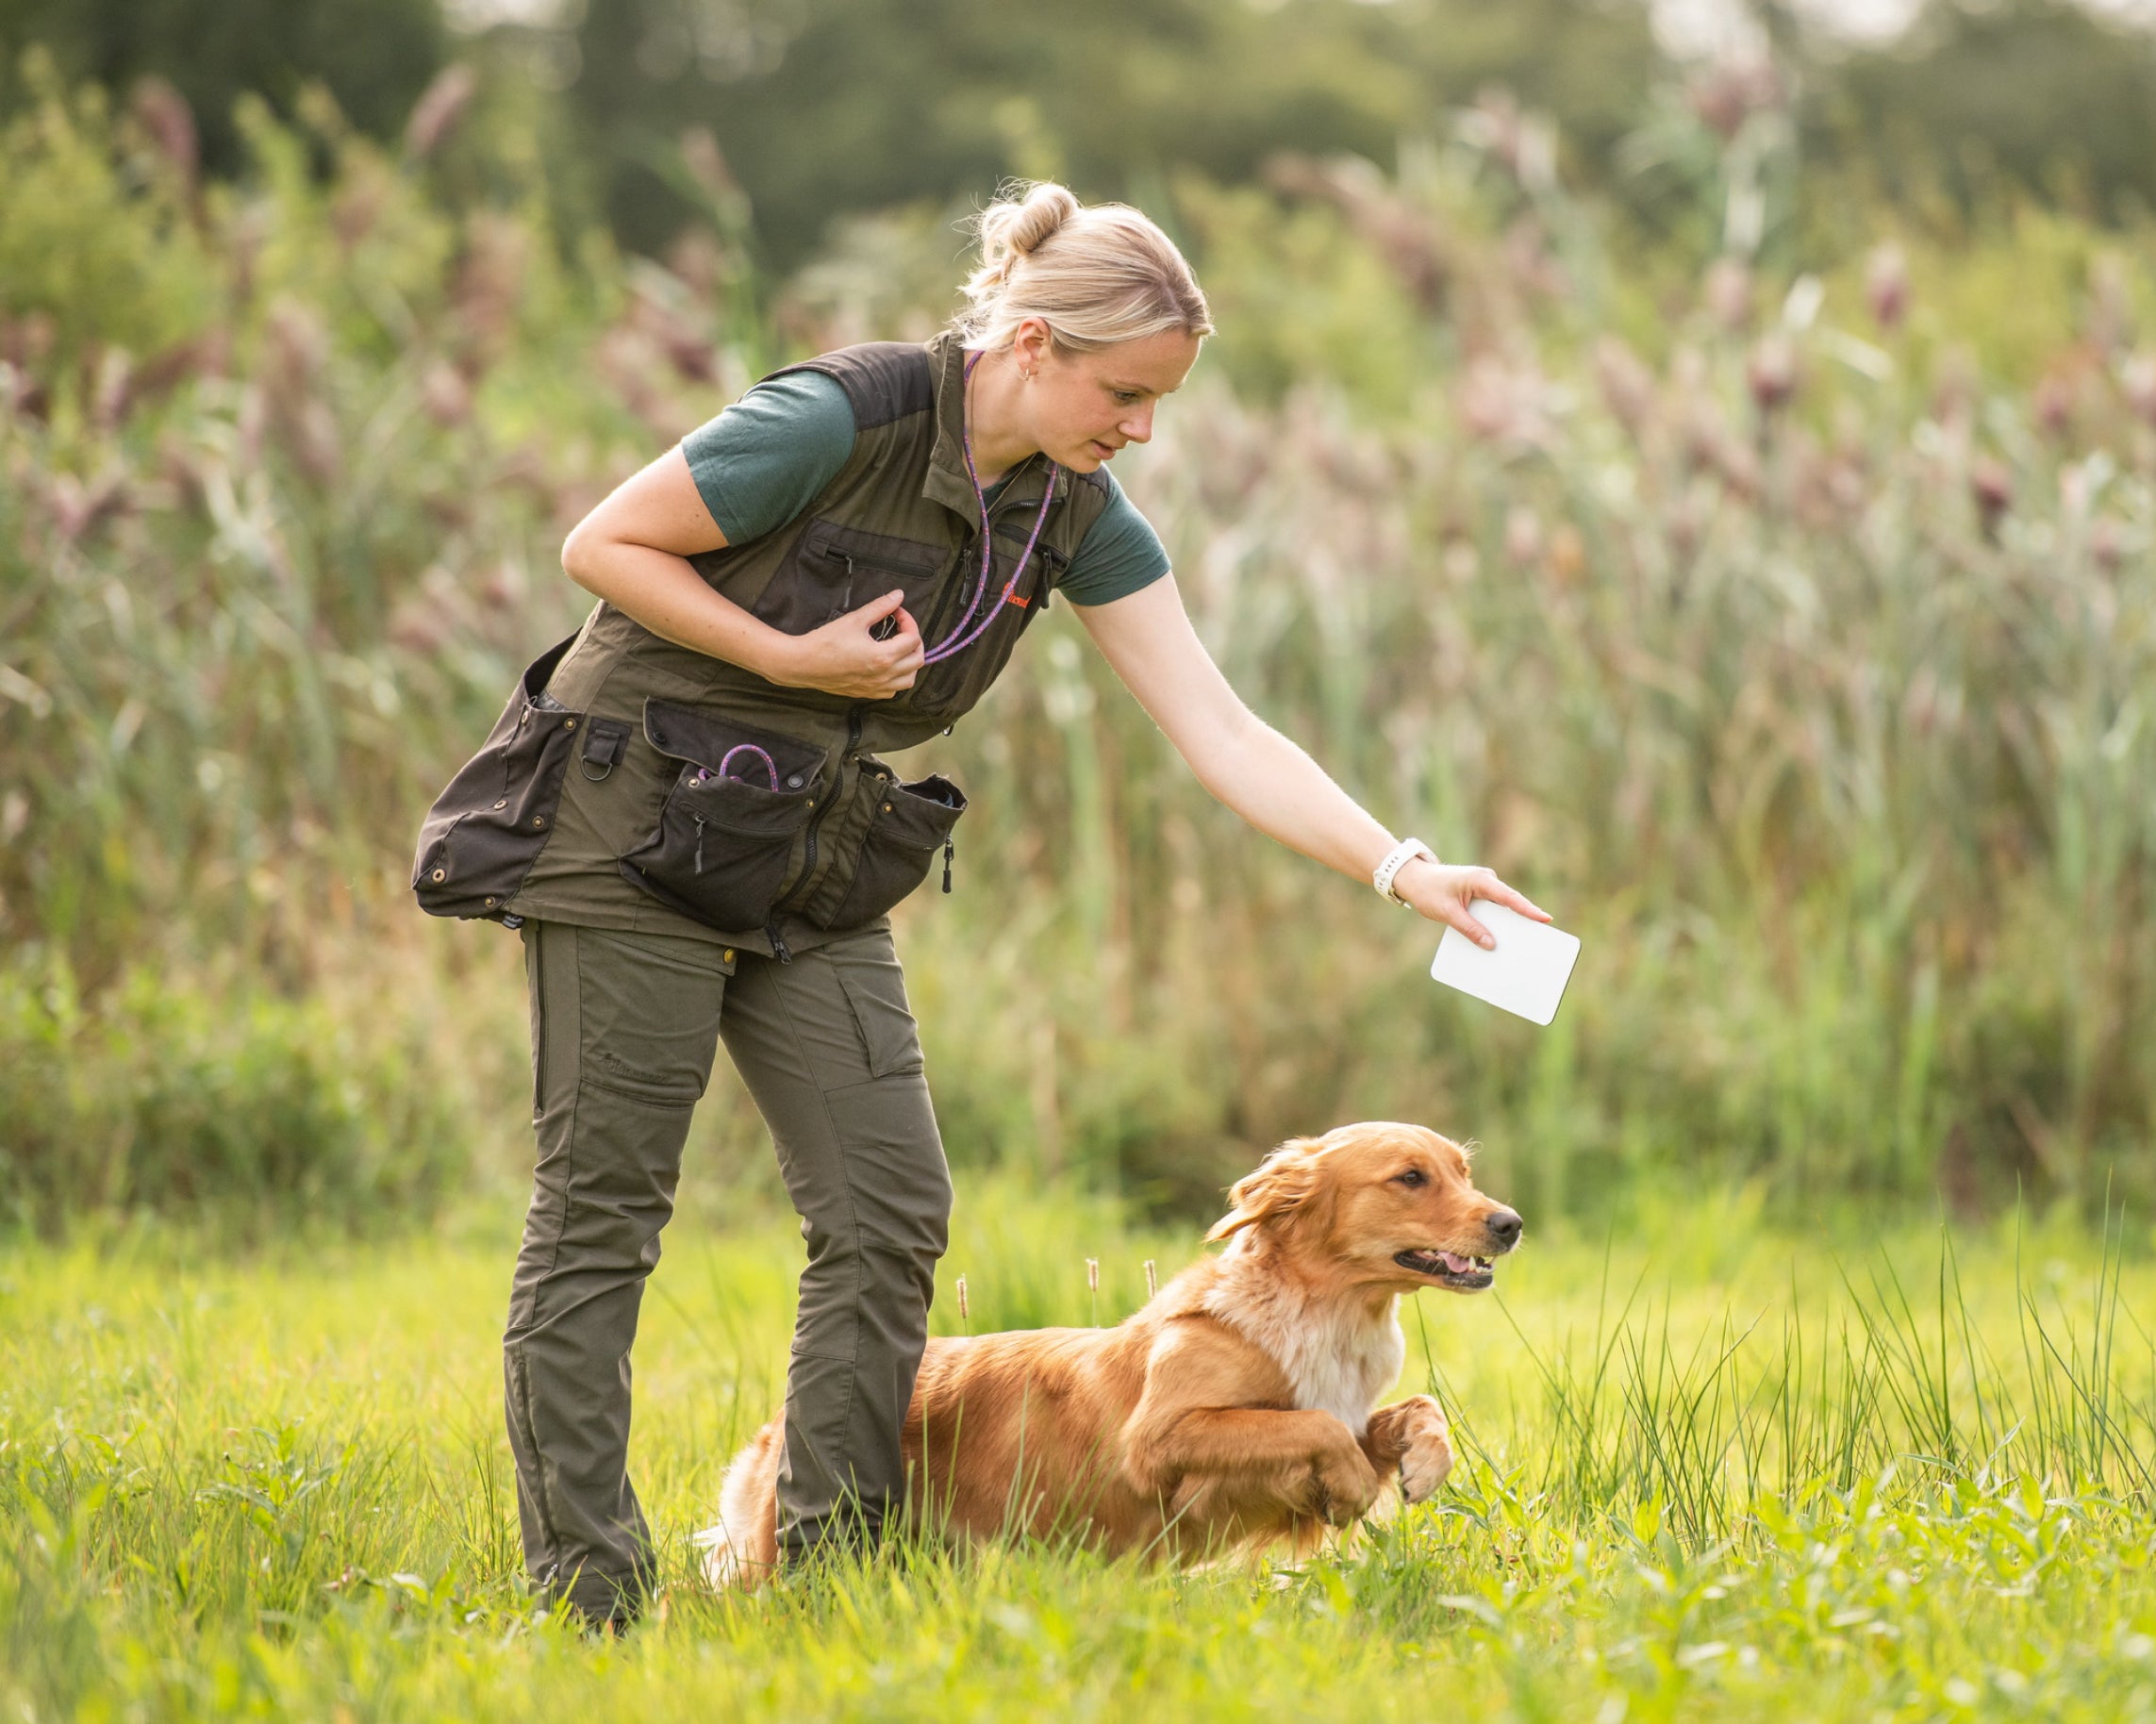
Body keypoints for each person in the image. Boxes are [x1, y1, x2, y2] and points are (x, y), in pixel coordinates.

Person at [409, 180, 1547, 1627]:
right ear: (1027, 341)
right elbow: (604, 547)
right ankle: (591, 1600)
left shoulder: (1073, 508)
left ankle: (827, 1573)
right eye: (1124, 391)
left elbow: (1223, 730)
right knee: (604, 1214)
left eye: (1159, 403)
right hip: (623, 827)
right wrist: (789, 653)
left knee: (890, 1208)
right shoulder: (840, 415)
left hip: (804, 852)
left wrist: (1406, 867)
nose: (1139, 427)